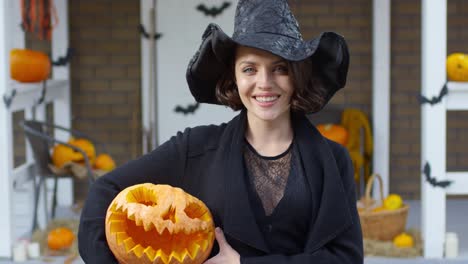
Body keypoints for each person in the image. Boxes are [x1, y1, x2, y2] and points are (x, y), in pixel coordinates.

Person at [78, 0, 363, 263]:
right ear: (233, 78)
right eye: (250, 69)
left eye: (280, 69)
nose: (264, 83)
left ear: (298, 76)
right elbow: (104, 190)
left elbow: (346, 258)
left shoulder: (333, 159)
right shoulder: (196, 147)